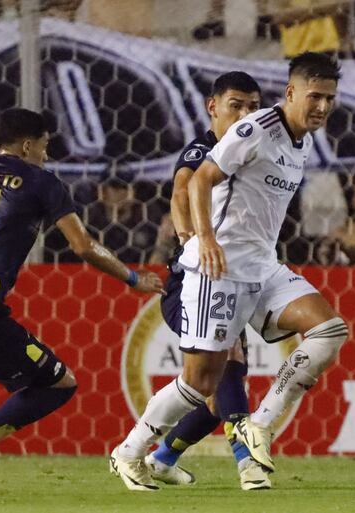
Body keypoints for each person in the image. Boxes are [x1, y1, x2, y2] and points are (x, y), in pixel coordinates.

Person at [111, 52, 347, 491]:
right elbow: (198, 180)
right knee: (201, 382)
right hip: (218, 271)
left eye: (330, 99)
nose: (322, 107)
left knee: (329, 330)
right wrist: (203, 239)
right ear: (291, 92)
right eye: (315, 96)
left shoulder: (305, 141)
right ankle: (129, 451)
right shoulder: (255, 129)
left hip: (264, 267)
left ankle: (258, 426)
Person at [0, 108, 163, 496]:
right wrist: (132, 277)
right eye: (45, 146)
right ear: (28, 144)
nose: (46, 154)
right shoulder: (40, 181)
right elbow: (82, 245)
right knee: (59, 384)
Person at [142, 71, 272, 491]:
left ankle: (161, 458)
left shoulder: (254, 148)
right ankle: (247, 462)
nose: (245, 113)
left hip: (231, 277)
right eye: (236, 104)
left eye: (253, 106)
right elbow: (181, 192)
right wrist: (190, 243)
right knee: (226, 368)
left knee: (215, 388)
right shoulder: (203, 149)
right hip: (195, 280)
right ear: (211, 107)